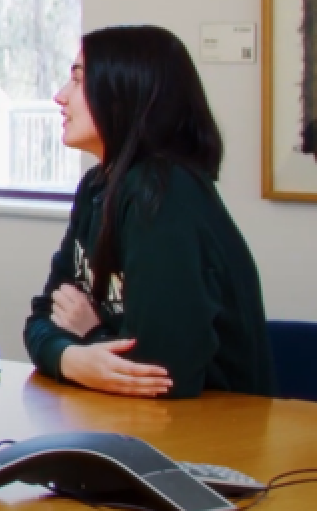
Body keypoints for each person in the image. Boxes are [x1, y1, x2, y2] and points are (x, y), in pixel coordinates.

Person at [23, 25, 274, 399]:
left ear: (122, 96)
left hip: (209, 434)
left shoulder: (163, 194)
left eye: (77, 80)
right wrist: (72, 358)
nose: (61, 96)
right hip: (129, 422)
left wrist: (91, 335)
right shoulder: (97, 185)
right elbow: (41, 318)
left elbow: (162, 373)